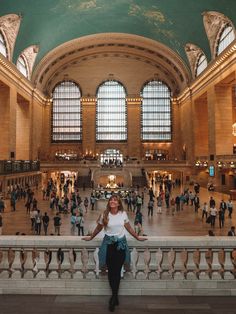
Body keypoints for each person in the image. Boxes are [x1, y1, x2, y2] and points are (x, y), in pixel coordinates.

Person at [82, 194, 146, 312]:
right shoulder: (104, 214)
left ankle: (114, 297)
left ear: (118, 203)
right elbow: (98, 228)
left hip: (120, 245)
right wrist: (91, 237)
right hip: (108, 246)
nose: (112, 201)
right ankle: (115, 296)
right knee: (111, 272)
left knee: (117, 271)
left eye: (115, 200)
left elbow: (129, 228)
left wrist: (137, 237)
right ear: (109, 203)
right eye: (111, 200)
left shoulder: (123, 214)